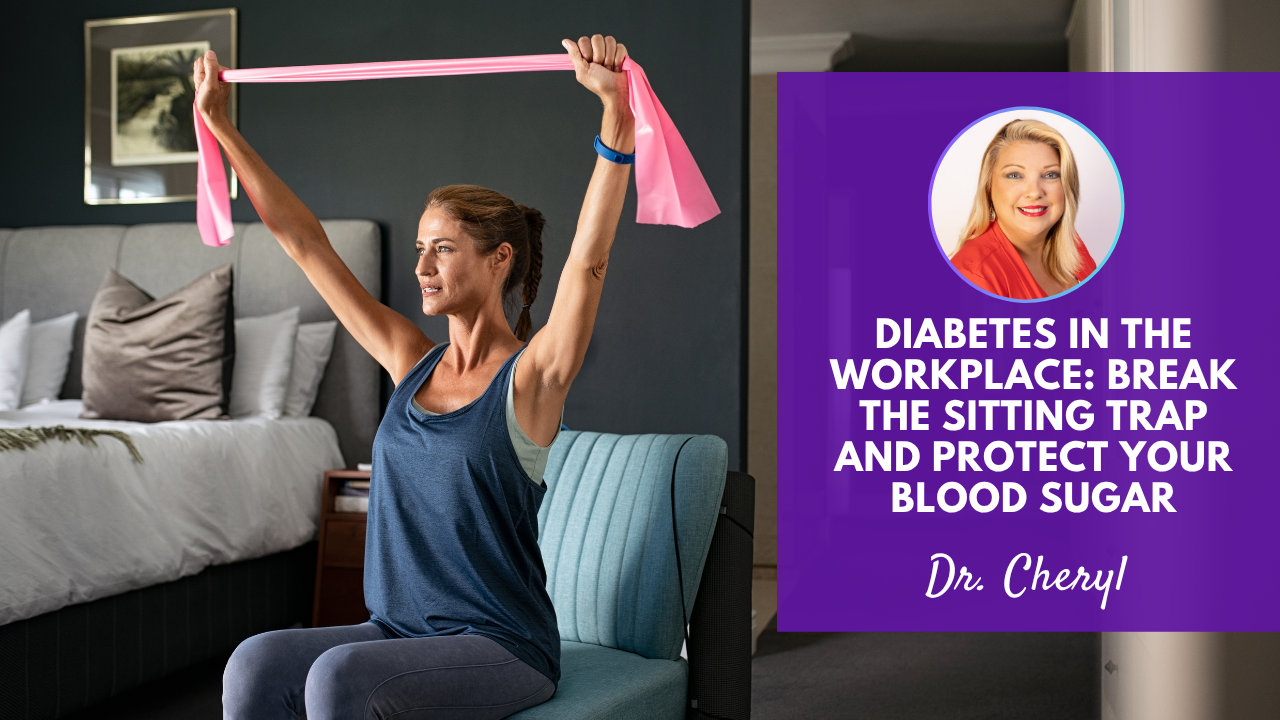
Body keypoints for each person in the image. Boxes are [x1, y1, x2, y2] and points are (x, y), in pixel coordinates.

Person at [197, 34, 635, 720]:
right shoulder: (410, 359)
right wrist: (221, 125)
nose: (422, 266)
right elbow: (304, 243)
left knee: (339, 678)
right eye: (421, 247)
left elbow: (589, 260)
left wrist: (617, 118)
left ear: (499, 259)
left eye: (444, 249)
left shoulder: (532, 379)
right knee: (254, 662)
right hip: (399, 632)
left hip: (502, 643)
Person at [949, 119, 1097, 300]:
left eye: (1051, 174)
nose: (1034, 192)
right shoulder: (975, 275)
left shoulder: (1071, 243)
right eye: (1014, 175)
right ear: (988, 187)